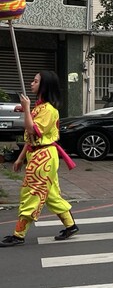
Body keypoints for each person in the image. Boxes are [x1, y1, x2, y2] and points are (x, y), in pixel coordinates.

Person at [1, 71, 77, 247]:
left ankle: (18, 234)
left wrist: (26, 109)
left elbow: (33, 130)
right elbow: (30, 140)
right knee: (51, 195)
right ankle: (71, 225)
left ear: (44, 86)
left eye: (35, 81)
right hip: (37, 154)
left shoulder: (49, 110)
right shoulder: (38, 108)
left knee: (32, 193)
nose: (31, 84)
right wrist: (20, 159)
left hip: (44, 156)